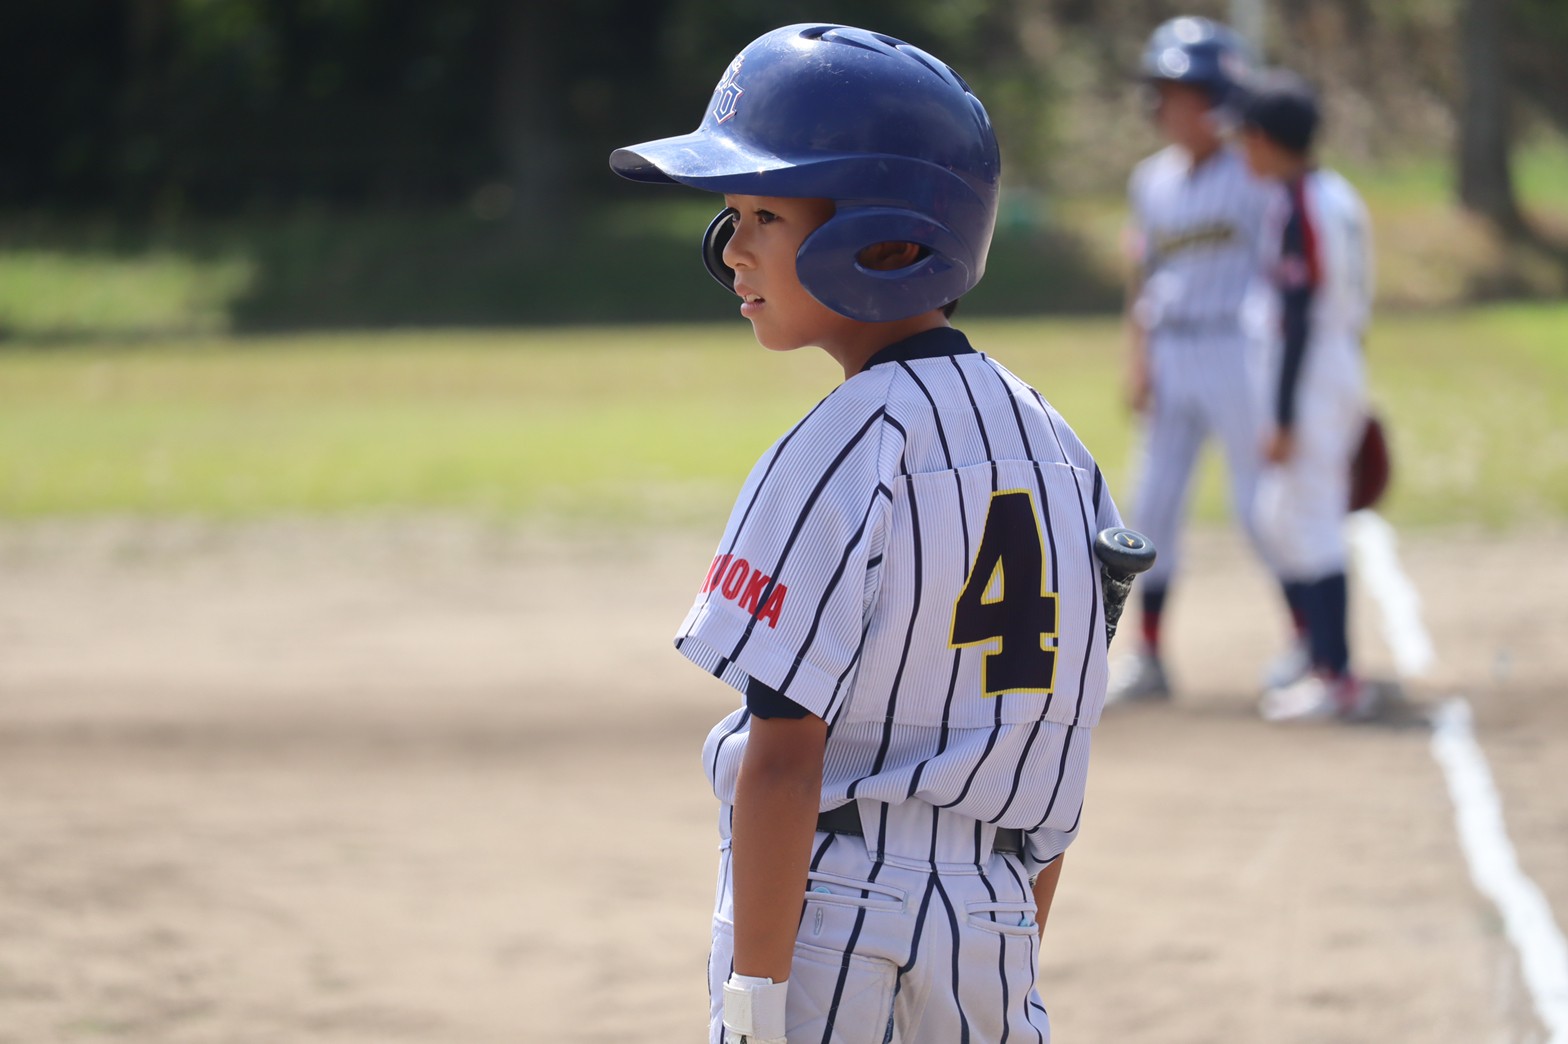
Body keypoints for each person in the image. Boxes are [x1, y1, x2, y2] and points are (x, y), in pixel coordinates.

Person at [610, 23, 1123, 1044]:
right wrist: (1005, 944)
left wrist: (755, 1000)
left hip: (829, 916)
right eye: (731, 215)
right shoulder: (1059, 449)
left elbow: (783, 758)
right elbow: (1059, 750)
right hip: (992, 914)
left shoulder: (844, 445)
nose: (733, 247)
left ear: (883, 237)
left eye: (764, 212)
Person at [1110, 15, 1305, 704]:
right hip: (1170, 347)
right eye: (1162, 89)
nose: (1163, 103)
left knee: (1261, 505)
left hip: (1237, 348)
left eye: (1179, 89)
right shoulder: (1151, 181)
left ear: (1217, 96)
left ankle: (1308, 644)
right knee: (1151, 507)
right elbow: (1144, 274)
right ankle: (1150, 658)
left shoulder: (1253, 175)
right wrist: (1137, 357)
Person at [1238, 69, 1379, 722]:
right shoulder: (1334, 194)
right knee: (1278, 517)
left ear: (1265, 139)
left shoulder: (1300, 204)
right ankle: (1316, 652)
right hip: (1335, 365)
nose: (1242, 149)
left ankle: (1336, 674)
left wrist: (1286, 416)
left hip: (1314, 375)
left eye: (1246, 136)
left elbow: (1298, 314)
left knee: (1311, 523)